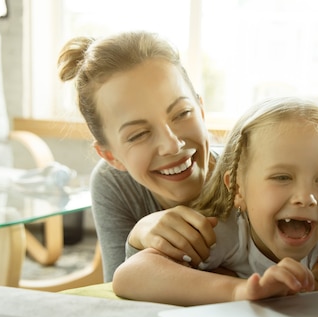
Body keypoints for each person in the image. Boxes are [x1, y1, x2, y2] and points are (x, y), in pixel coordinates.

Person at [113, 96, 318, 305]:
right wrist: (241, 291)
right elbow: (130, 275)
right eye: (282, 177)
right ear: (238, 189)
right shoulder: (228, 229)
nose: (306, 198)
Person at [57, 31, 218, 282]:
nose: (171, 145)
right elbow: (120, 298)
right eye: (139, 134)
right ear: (111, 157)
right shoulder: (114, 183)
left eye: (182, 113)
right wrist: (137, 237)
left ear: (201, 110)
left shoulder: (251, 170)